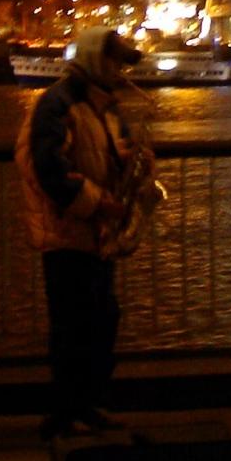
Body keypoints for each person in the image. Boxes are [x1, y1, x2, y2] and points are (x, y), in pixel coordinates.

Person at [15, 26, 148, 439]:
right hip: (68, 232)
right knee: (73, 325)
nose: (121, 70)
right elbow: (48, 169)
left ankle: (90, 405)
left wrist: (131, 160)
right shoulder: (57, 103)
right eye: (114, 61)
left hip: (97, 234)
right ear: (94, 60)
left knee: (101, 320)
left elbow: (104, 154)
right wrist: (99, 203)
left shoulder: (105, 105)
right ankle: (65, 413)